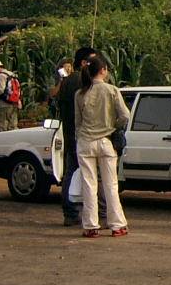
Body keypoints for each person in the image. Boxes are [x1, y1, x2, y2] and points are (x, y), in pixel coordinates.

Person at [74, 58, 131, 238]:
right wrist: (113, 126)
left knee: (89, 185)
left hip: (85, 142)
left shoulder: (80, 94)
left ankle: (91, 226)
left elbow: (77, 123)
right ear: (103, 70)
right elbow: (125, 116)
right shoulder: (112, 90)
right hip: (106, 141)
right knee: (110, 185)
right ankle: (117, 225)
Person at [56, 47, 97, 226]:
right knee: (87, 175)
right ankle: (81, 212)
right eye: (93, 61)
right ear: (83, 63)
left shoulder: (67, 81)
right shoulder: (83, 82)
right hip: (81, 134)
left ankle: (70, 212)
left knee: (70, 173)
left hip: (69, 132)